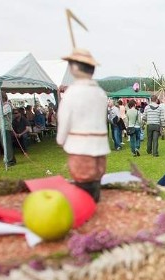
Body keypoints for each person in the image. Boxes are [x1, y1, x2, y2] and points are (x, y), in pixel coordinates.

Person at [56, 47, 110, 202]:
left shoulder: (73, 93)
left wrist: (61, 139)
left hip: (80, 146)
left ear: (74, 67)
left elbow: (64, 118)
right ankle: (94, 203)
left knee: (83, 180)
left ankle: (86, 208)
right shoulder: (100, 93)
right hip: (99, 145)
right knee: (96, 178)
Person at [0, 92, 16, 166]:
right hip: (1, 127)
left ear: (3, 98)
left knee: (7, 145)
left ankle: (10, 161)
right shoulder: (2, 106)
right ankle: (11, 159)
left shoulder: (7, 105)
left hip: (5, 127)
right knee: (5, 144)